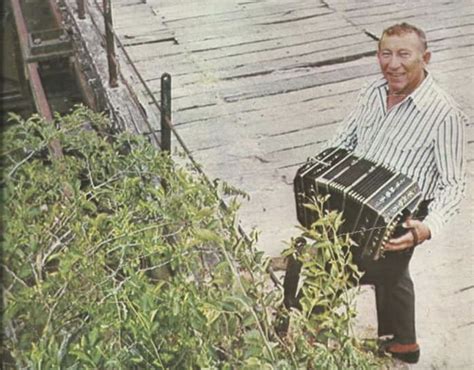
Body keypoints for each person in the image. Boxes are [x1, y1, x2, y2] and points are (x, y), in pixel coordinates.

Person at [327, 22, 466, 363]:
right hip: (357, 197)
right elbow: (343, 140)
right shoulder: (372, 92)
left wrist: (426, 227)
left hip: (403, 213)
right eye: (385, 54)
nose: (393, 64)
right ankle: (404, 344)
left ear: (425, 58)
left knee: (325, 263)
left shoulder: (444, 114)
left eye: (404, 54)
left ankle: (306, 331)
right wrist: (321, 168)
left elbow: (454, 184)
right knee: (391, 271)